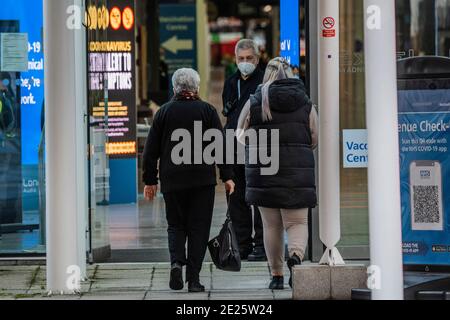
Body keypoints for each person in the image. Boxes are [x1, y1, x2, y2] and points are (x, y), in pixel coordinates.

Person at [143, 68, 235, 293]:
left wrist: (150, 181)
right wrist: (228, 176)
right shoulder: (207, 111)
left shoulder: (163, 112)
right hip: (202, 181)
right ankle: (193, 280)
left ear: (175, 87)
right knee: (198, 229)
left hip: (173, 180)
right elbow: (220, 146)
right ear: (196, 87)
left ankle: (176, 263)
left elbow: (150, 150)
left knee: (175, 225)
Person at [236, 57, 318, 290]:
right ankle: (296, 257)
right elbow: (314, 136)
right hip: (297, 172)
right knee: (297, 222)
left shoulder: (256, 100)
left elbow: (240, 134)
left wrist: (257, 145)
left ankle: (277, 276)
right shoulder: (305, 102)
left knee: (271, 226)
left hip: (265, 172)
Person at [222, 39, 266, 261]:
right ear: (236, 59)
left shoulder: (265, 81)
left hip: (258, 145)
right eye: (241, 59)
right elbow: (228, 112)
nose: (245, 62)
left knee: (259, 196)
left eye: (249, 58)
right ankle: (242, 244)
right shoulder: (231, 82)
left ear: (257, 59)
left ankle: (261, 244)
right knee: (236, 197)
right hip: (233, 145)